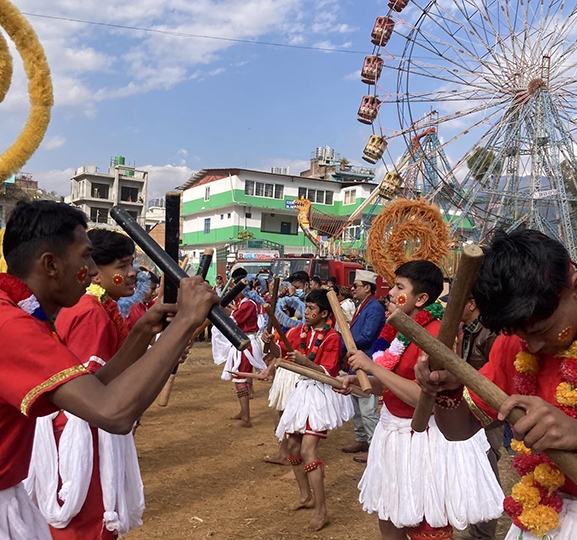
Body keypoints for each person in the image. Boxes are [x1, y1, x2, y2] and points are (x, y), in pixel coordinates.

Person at [0, 200, 218, 540]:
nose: (91, 268)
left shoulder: (19, 313)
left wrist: (145, 332)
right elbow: (110, 412)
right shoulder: (10, 325)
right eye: (86, 256)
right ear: (50, 265)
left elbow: (89, 386)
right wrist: (187, 321)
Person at [415, 229, 577, 540]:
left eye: (543, 330)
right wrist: (447, 392)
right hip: (540, 517)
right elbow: (458, 430)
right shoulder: (512, 345)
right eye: (522, 334)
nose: (534, 346)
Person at [342, 260, 503, 540]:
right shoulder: (396, 331)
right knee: (389, 515)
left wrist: (373, 367)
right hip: (392, 435)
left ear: (422, 298)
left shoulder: (438, 334)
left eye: (399, 287)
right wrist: (364, 382)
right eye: (393, 285)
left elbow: (422, 397)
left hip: (426, 440)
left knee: (427, 525)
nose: (390, 292)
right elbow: (391, 387)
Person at [26, 229, 145, 539]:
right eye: (121, 266)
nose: (132, 273)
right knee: (88, 525)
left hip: (73, 429)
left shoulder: (91, 308)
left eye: (131, 264)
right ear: (95, 272)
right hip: (80, 437)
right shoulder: (90, 313)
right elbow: (92, 389)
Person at [264, 289, 353, 532]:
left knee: (308, 450)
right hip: (300, 391)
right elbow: (279, 357)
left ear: (324, 313)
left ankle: (322, 511)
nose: (307, 312)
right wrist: (270, 344)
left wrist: (306, 363)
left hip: (319, 395)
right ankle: (305, 496)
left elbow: (329, 372)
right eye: (306, 307)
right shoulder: (295, 331)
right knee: (292, 446)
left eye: (312, 308)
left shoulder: (332, 337)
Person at [457, 294, 501, 540]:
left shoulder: (491, 333)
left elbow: (496, 376)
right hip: (468, 409)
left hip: (488, 414)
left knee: (487, 472)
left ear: (472, 304)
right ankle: (476, 530)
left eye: (458, 302)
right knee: (472, 471)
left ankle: (484, 535)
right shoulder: (466, 330)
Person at [341, 270, 386, 464]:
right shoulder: (363, 306)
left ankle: (374, 445)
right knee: (357, 407)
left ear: (367, 288)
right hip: (356, 361)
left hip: (366, 362)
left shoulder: (374, 308)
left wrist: (345, 344)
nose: (352, 289)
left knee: (368, 409)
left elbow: (367, 336)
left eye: (356, 286)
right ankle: (362, 439)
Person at [218, 268, 267, 427]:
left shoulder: (248, 304)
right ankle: (243, 412)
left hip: (245, 344)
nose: (233, 290)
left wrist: (219, 308)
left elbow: (233, 321)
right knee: (240, 378)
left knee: (240, 379)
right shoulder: (246, 303)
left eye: (235, 288)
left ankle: (246, 418)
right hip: (243, 343)